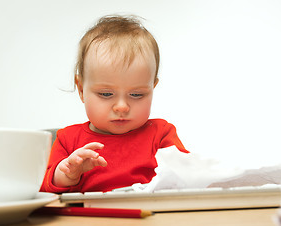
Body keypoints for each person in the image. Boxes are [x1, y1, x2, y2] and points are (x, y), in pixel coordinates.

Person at [40, 15, 189, 193]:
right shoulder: (67, 140)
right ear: (81, 89)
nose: (121, 107)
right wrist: (68, 173)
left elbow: (188, 176)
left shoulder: (161, 135)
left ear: (152, 88)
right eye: (106, 94)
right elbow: (44, 186)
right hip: (87, 218)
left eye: (136, 94)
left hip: (149, 216)